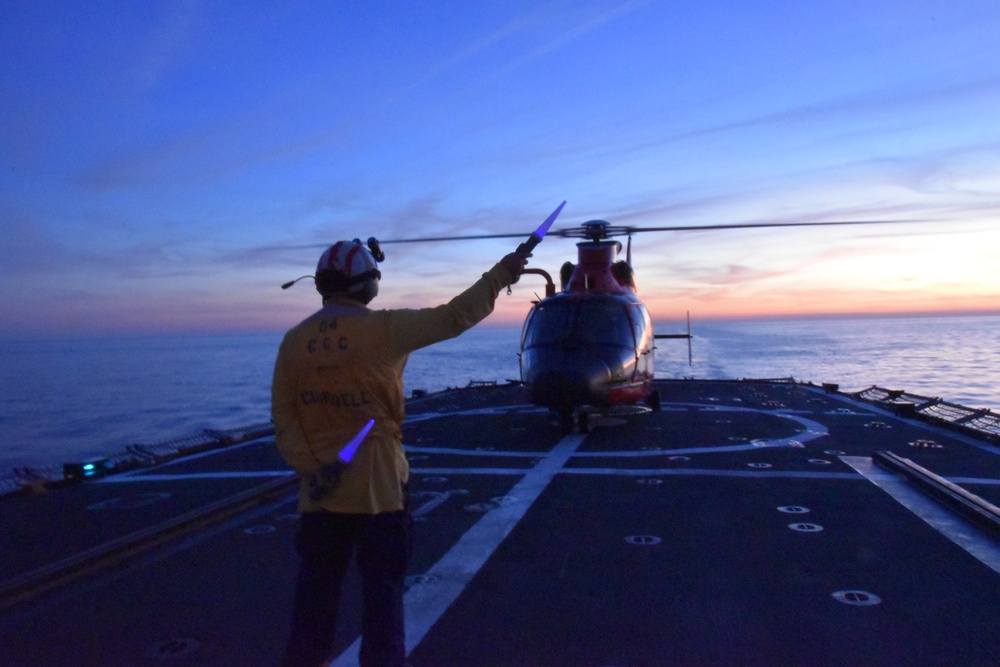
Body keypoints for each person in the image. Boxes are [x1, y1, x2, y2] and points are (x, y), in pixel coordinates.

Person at [272, 238, 528, 667]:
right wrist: (503, 273)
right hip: (380, 494)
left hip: (318, 498)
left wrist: (312, 470)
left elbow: (284, 418)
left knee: (313, 612)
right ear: (365, 284)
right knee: (383, 607)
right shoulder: (385, 329)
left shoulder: (294, 341)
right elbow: (455, 316)